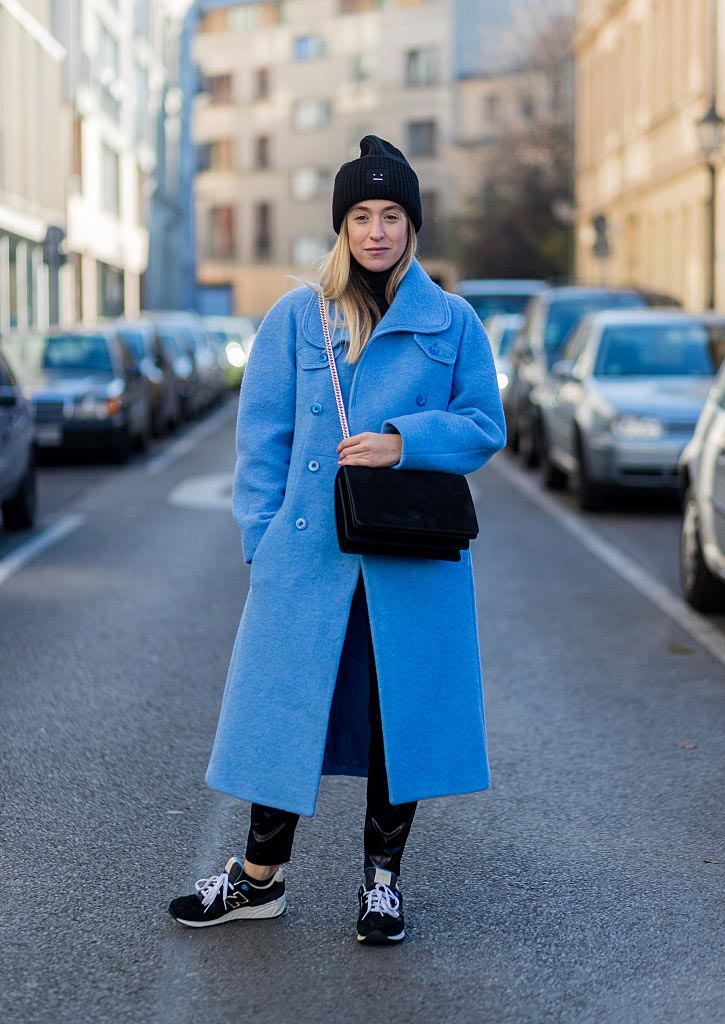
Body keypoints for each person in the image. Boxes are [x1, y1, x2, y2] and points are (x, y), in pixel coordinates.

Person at [169, 136, 506, 945]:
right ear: (342, 227)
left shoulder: (451, 320)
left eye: (392, 214)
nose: (377, 230)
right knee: (286, 708)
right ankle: (257, 881)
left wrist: (403, 438)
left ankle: (381, 885)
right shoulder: (297, 317)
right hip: (307, 554)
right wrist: (262, 542)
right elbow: (262, 444)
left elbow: (483, 426)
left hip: (409, 555)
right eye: (361, 215)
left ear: (412, 226)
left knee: (401, 714)